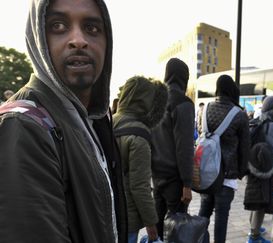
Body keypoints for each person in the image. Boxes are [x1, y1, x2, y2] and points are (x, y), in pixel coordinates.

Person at [0, 0, 127, 242]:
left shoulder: (93, 120)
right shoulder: (23, 127)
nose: (78, 40)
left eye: (92, 28)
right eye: (58, 26)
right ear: (38, 38)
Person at [113, 76, 168, 243]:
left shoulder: (110, 121)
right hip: (127, 218)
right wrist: (151, 225)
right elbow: (140, 186)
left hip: (107, 212)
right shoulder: (139, 136)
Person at [198, 75, 250, 243]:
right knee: (221, 218)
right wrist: (241, 172)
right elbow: (245, 147)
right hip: (227, 175)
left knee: (203, 214)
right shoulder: (239, 114)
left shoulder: (205, 109)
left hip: (206, 172)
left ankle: (198, 239)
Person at [151, 58, 194, 239]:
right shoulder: (183, 103)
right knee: (177, 231)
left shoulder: (155, 101)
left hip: (156, 176)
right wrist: (187, 184)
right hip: (174, 180)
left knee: (160, 228)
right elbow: (184, 147)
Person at [245, 96, 273, 243]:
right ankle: (254, 237)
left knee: (256, 198)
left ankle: (255, 228)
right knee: (261, 202)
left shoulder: (256, 121)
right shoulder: (272, 126)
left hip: (252, 166)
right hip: (265, 169)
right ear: (271, 110)